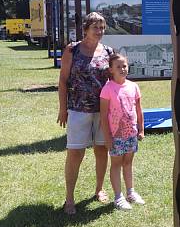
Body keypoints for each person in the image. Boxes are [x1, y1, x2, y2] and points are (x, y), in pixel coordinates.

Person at [57, 12, 114, 215]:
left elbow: (113, 81)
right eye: (95, 28)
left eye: (102, 28)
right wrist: (63, 108)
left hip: (103, 111)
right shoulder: (72, 50)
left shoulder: (108, 51)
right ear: (86, 29)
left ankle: (99, 189)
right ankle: (69, 198)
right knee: (75, 153)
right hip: (78, 109)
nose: (99, 31)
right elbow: (63, 80)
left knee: (101, 151)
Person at [100, 53, 145, 210]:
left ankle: (130, 192)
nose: (122, 69)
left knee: (128, 162)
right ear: (111, 70)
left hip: (131, 133)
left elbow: (139, 110)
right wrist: (108, 138)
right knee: (117, 164)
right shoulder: (107, 89)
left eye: (124, 66)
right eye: (118, 67)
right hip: (115, 136)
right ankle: (118, 197)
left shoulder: (133, 86)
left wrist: (141, 129)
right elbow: (104, 116)